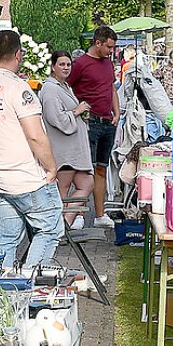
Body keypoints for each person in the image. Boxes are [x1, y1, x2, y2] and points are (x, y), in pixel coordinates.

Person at [0, 30, 65, 273]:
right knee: (50, 230)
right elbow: (35, 135)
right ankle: (30, 282)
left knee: (9, 235)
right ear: (18, 54)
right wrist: (52, 167)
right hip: (27, 177)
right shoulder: (18, 88)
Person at [68, 26, 118, 228]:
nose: (111, 51)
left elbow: (111, 87)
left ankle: (99, 214)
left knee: (101, 169)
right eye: (109, 47)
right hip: (90, 122)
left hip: (107, 121)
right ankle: (79, 214)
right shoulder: (80, 64)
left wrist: (117, 111)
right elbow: (67, 87)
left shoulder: (108, 63)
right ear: (98, 43)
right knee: (83, 171)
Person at [40, 50, 95, 228]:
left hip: (74, 151)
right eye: (61, 64)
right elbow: (56, 118)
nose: (65, 68)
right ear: (53, 67)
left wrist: (80, 116)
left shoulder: (64, 86)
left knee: (87, 184)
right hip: (63, 151)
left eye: (68, 64)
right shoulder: (50, 89)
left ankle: (65, 222)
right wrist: (76, 112)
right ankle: (57, 227)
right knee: (61, 190)